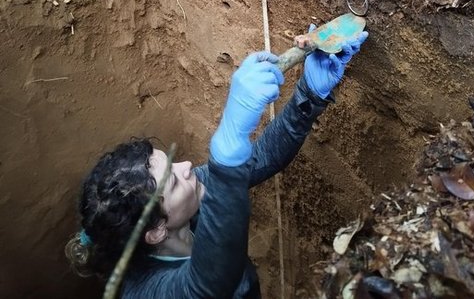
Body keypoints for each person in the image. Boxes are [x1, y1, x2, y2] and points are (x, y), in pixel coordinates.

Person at [66, 27, 369, 298]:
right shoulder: (146, 291)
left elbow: (261, 159)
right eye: (172, 181)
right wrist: (227, 144)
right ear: (157, 231)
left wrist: (310, 93)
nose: (186, 167)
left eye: (170, 164)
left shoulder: (184, 203)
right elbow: (207, 285)